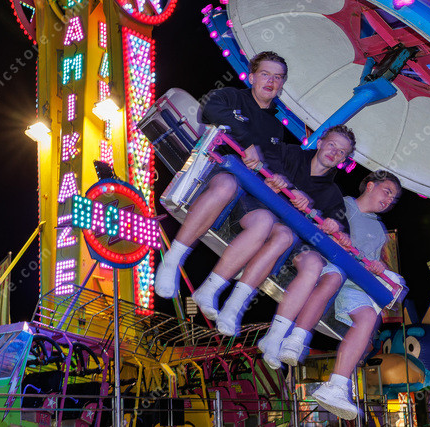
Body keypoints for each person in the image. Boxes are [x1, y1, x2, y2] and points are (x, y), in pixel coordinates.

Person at [263, 171, 404, 419]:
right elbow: (317, 223)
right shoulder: (343, 204)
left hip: (356, 281)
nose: (389, 200)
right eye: (387, 192)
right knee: (333, 276)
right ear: (370, 185)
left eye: (393, 199)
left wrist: (380, 267)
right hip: (330, 263)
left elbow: (374, 260)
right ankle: (295, 339)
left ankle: (336, 387)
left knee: (369, 317)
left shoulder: (379, 229)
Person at [195, 125, 357, 337]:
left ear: (343, 159)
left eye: (341, 152)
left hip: (281, 240)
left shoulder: (333, 194)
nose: (334, 152)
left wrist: (334, 227)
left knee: (285, 236)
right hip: (252, 212)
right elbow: (261, 159)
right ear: (319, 143)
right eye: (332, 145)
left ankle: (233, 307)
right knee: (265, 221)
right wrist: (279, 181)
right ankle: (210, 287)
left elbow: (340, 228)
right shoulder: (290, 152)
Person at [155, 51, 289, 301]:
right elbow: (210, 110)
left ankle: (211, 289)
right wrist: (247, 142)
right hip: (216, 172)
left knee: (265, 221)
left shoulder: (276, 127)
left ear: (282, 84)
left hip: (248, 193)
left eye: (278, 77)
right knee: (228, 183)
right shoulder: (230, 96)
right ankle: (172, 261)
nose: (271, 81)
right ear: (251, 77)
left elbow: (273, 164)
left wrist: (276, 178)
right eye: (265, 74)